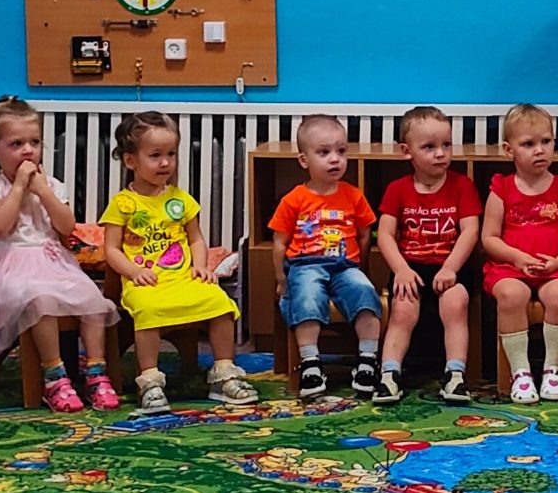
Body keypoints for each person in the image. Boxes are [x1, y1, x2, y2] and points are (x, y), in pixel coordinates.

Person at [0, 97, 118, 410]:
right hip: (8, 269)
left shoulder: (53, 186)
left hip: (53, 263)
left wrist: (44, 192)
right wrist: (19, 188)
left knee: (93, 300)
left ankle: (96, 372)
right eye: (16, 144)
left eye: (34, 142)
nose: (28, 151)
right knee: (40, 301)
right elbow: (0, 227)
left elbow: (67, 227)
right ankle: (54, 376)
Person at [100, 109, 259, 414]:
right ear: (131, 160)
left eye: (171, 154)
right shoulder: (122, 204)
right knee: (148, 310)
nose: (165, 163)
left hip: (183, 279)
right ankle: (150, 382)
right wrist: (134, 271)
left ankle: (224, 374)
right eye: (155, 155)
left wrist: (201, 266)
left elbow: (196, 239)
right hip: (145, 283)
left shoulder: (180, 199)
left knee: (220, 302)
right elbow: (111, 250)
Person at [268, 114, 384, 403]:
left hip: (345, 267)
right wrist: (281, 279)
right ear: (304, 160)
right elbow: (279, 242)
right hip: (305, 265)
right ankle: (310, 363)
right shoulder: (294, 199)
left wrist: (361, 267)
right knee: (307, 296)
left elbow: (365, 234)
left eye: (341, 151)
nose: (335, 159)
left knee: (365, 292)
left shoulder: (353, 195)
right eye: (324, 152)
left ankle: (367, 360)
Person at [375, 104, 481, 404]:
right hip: (411, 267)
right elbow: (385, 234)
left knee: (455, 302)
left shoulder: (462, 186)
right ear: (406, 151)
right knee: (403, 308)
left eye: (446, 145)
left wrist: (451, 268)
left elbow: (470, 231)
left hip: (450, 265)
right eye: (429, 147)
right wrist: (401, 270)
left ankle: (455, 374)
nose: (440, 154)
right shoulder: (397, 189)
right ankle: (389, 374)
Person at [482, 104, 558, 403]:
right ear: (509, 150)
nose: (539, 150)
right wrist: (516, 257)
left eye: (546, 141)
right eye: (528, 144)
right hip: (510, 268)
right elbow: (489, 237)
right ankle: (521, 372)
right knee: (511, 295)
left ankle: (552, 370)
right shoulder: (501, 188)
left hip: (555, 267)